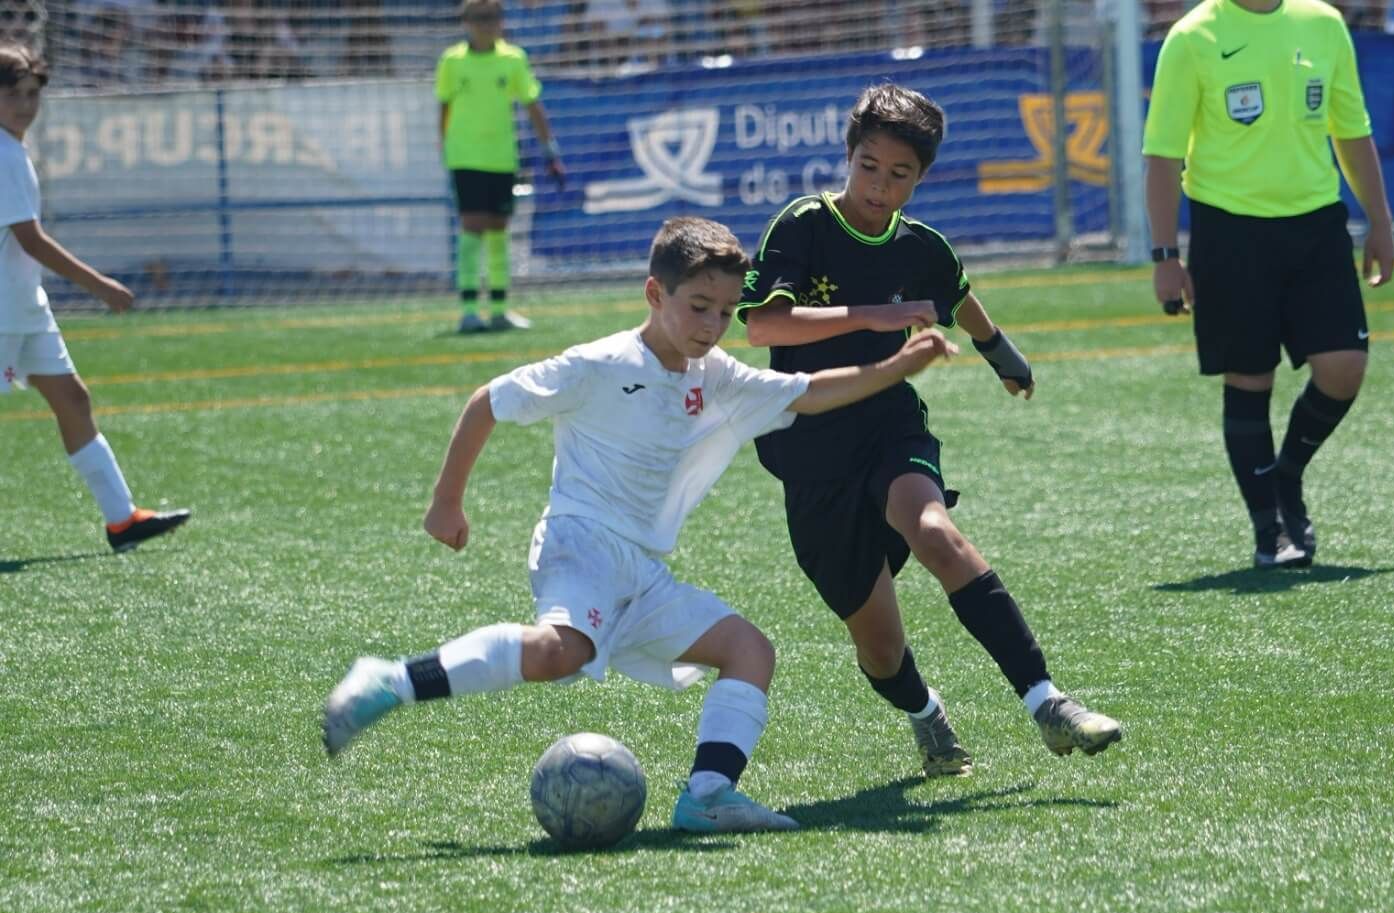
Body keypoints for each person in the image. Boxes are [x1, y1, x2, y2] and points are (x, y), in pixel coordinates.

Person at [321, 216, 962, 834]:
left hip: (641, 569)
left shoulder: (716, 375)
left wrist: (895, 368)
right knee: (558, 652)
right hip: (580, 541)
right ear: (656, 294)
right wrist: (447, 502)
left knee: (749, 651)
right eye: (698, 306)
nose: (712, 325)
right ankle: (391, 681)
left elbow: (806, 391)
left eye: (725, 311)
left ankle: (708, 795)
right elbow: (489, 400)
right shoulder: (600, 363)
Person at [736, 82, 1124, 780]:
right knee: (882, 651)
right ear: (848, 157)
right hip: (811, 452)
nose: (879, 187)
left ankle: (1048, 702)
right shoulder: (803, 225)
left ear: (920, 178)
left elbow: (956, 293)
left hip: (888, 427)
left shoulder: (921, 247)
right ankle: (926, 713)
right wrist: (875, 315)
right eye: (868, 167)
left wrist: (1000, 351)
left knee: (936, 531)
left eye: (899, 174)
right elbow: (764, 325)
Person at [1143, 0, 1394, 569]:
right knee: (1249, 377)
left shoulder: (1324, 23)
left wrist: (1380, 221)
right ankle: (1270, 528)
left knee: (1344, 368)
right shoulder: (1192, 37)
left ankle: (1286, 474)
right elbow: (1161, 157)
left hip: (1317, 225)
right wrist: (1165, 255)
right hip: (1229, 231)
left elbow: (1352, 132)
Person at [0, 44, 190, 553]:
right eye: (13, 94)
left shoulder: (12, 149)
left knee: (74, 400)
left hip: (25, 308)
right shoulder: (4, 154)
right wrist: (100, 284)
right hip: (4, 313)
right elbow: (31, 241)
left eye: (32, 94)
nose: (25, 105)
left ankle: (122, 521)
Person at [436, 0, 565, 334]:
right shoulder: (452, 61)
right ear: (466, 22)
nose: (487, 24)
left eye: (493, 16)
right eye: (479, 17)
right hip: (465, 157)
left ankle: (498, 309)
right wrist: (444, 146)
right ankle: (468, 310)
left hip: (501, 157)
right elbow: (444, 107)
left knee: (497, 229)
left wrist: (550, 150)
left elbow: (532, 104)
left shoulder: (513, 58)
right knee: (471, 227)